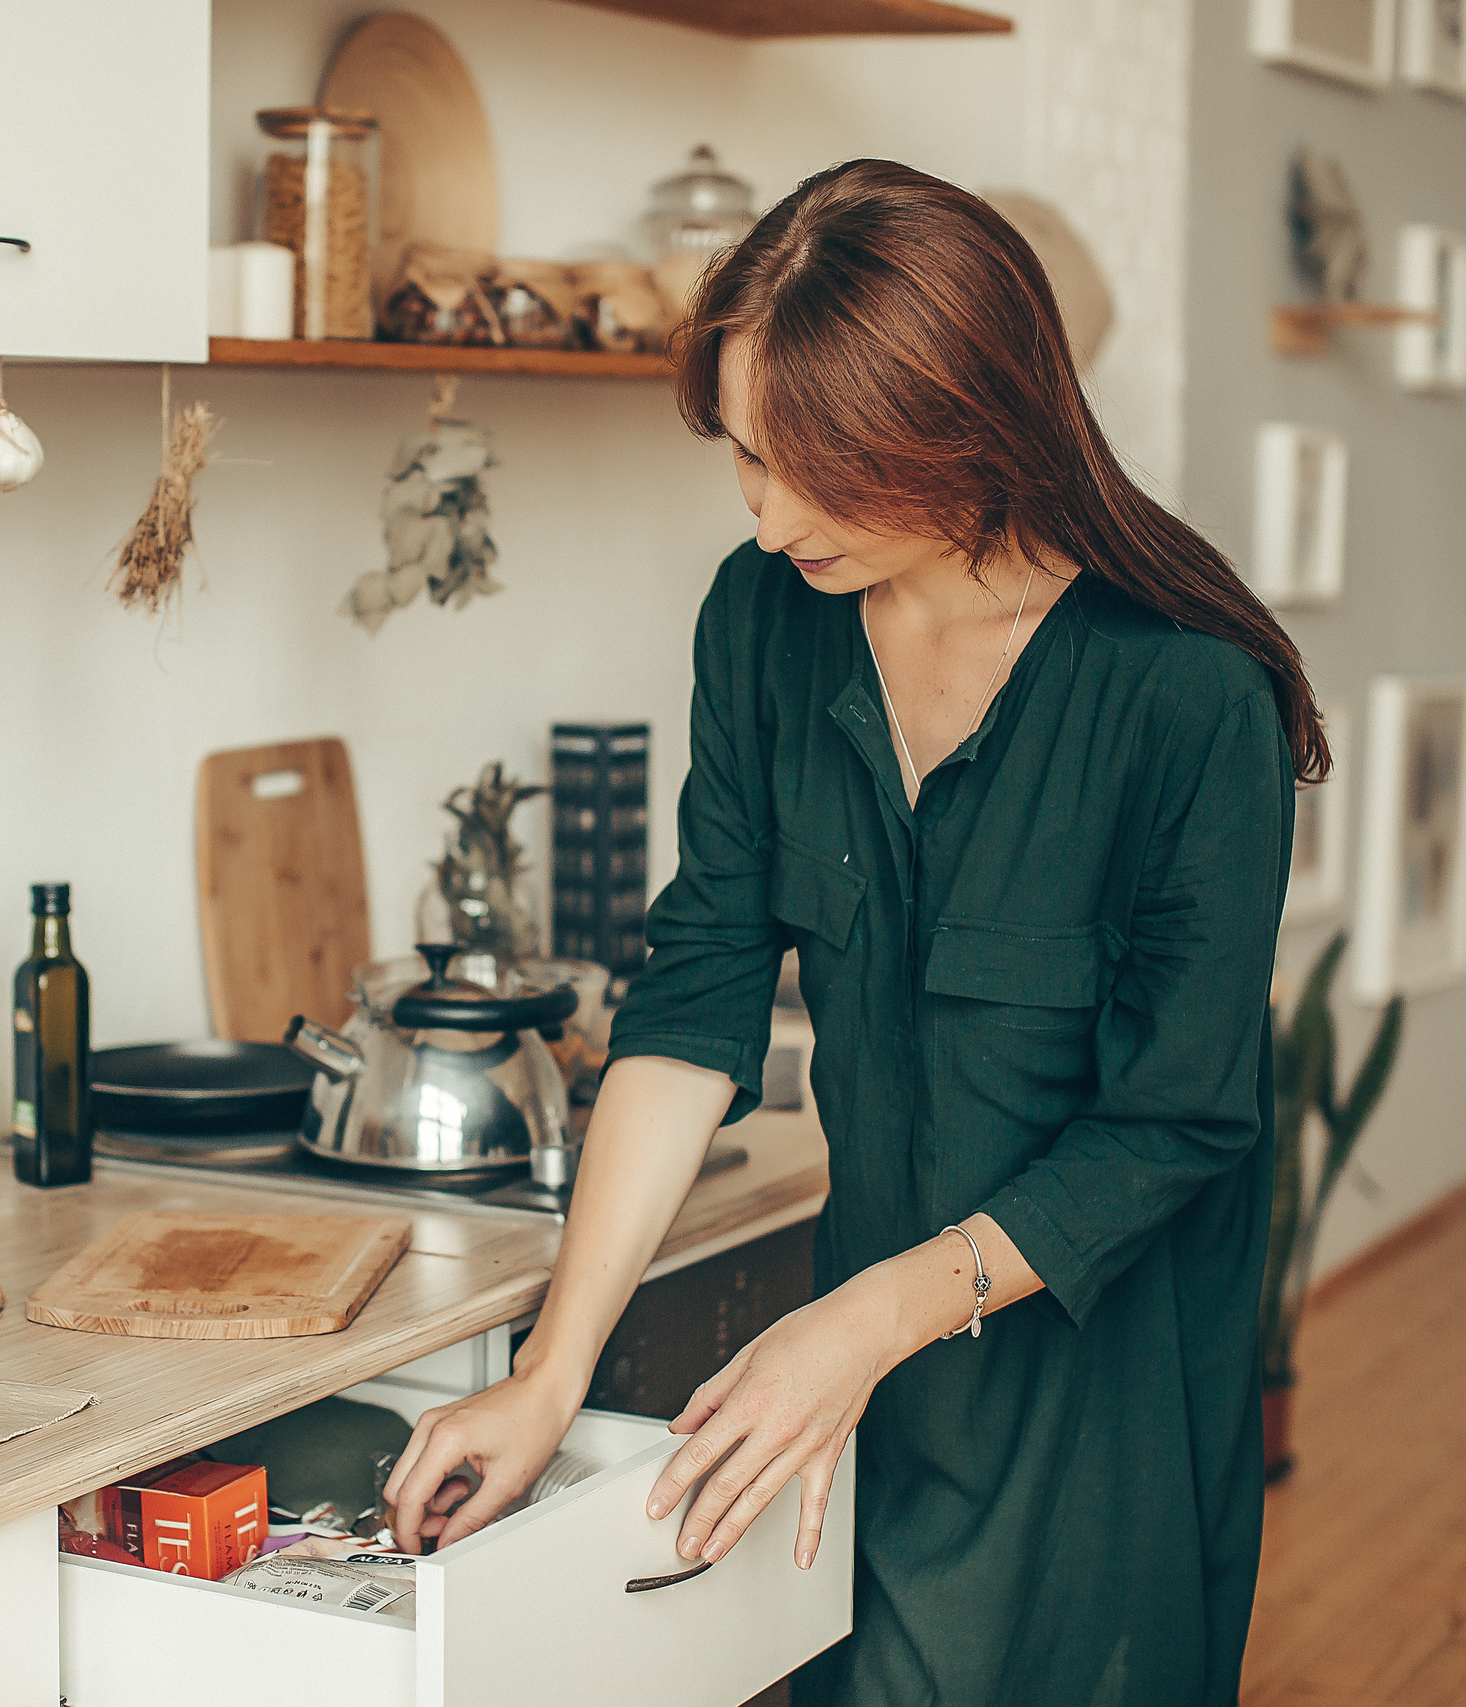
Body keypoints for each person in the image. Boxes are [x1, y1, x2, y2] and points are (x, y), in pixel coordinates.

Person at [380, 160, 1325, 1707]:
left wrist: (868, 1323)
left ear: (966, 427)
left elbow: (1174, 1122)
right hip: (863, 1392)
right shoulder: (763, 622)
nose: (768, 521)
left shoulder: (1185, 694)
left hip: (1101, 1410)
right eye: (747, 459)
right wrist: (549, 1380)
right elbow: (694, 1000)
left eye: (818, 470)